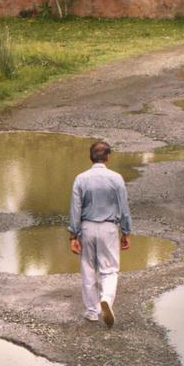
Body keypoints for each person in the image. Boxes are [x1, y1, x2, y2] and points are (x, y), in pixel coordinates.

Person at [68, 140, 133, 328]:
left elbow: (75, 208)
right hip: (109, 228)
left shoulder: (81, 178)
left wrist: (73, 235)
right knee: (110, 269)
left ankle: (91, 311)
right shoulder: (116, 178)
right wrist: (126, 232)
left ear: (91, 157)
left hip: (87, 227)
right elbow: (124, 208)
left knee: (88, 269)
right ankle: (105, 298)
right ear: (108, 157)